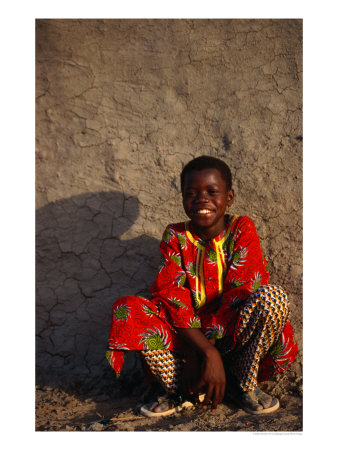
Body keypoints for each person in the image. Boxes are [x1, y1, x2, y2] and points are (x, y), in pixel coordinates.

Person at [106, 155, 298, 417]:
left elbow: (241, 291)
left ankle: (243, 385)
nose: (201, 199)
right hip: (188, 348)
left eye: (211, 191)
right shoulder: (175, 235)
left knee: (272, 297)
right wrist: (202, 352)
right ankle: (177, 390)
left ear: (229, 197)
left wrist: (214, 354)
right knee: (129, 308)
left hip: (234, 344)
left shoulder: (241, 228)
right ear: (183, 198)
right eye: (191, 193)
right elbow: (171, 296)